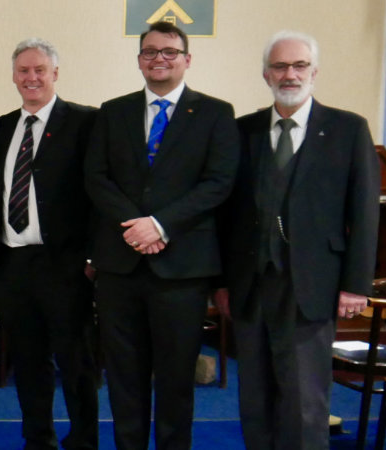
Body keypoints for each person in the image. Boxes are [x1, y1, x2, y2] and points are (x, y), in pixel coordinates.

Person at [214, 31, 377, 450]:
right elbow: (226, 217)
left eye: (299, 65)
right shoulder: (242, 131)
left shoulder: (347, 129)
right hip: (251, 286)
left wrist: (356, 284)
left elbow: (363, 213)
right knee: (255, 396)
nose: (290, 74)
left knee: (304, 400)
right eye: (281, 66)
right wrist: (222, 282)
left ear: (314, 72)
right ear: (266, 73)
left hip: (313, 285)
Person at [83, 21, 239, 450]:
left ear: (187, 60)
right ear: (138, 61)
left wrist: (161, 224)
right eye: (150, 52)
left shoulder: (215, 113)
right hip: (120, 267)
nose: (159, 59)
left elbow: (218, 183)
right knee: (124, 379)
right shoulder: (113, 111)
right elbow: (95, 178)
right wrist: (137, 227)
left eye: (169, 52)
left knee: (175, 380)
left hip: (182, 269)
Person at [0, 38, 99, 450]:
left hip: (66, 264)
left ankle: (84, 438)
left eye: (39, 70)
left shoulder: (85, 122)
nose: (30, 78)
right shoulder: (1, 127)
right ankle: (38, 438)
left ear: (55, 74)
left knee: (75, 361)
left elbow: (99, 193)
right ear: (14, 76)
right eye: (23, 71)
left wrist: (92, 257)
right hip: (13, 264)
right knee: (28, 361)